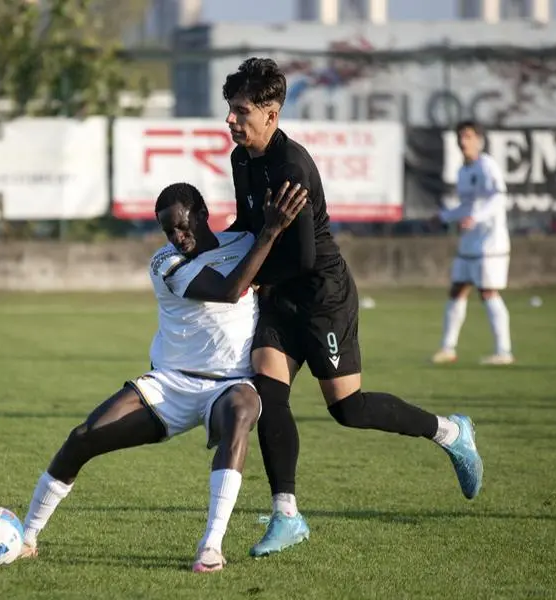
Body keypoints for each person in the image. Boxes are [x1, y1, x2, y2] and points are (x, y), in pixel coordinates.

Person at [222, 58, 484, 557]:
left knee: (349, 409)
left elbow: (299, 257)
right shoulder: (242, 159)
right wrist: (208, 256)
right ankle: (287, 515)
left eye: (240, 111)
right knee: (267, 396)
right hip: (280, 296)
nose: (231, 121)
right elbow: (245, 223)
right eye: (230, 111)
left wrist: (247, 281)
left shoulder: (292, 166)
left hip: (322, 297)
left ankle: (451, 432)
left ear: (271, 115)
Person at [17, 181, 308, 572]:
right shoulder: (165, 263)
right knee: (83, 437)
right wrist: (269, 234)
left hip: (229, 384)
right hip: (170, 384)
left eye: (183, 226)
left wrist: (273, 238)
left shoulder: (242, 241)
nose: (177, 237)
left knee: (241, 413)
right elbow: (230, 290)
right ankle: (27, 537)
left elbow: (279, 266)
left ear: (203, 214)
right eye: (168, 230)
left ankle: (211, 546)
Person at [431, 120, 513, 366]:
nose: (462, 141)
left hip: (490, 242)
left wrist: (475, 218)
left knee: (487, 292)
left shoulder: (487, 166)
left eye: (467, 136)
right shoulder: (463, 170)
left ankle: (504, 351)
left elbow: (498, 198)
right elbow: (467, 205)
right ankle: (448, 348)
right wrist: (444, 216)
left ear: (479, 140)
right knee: (457, 289)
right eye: (460, 136)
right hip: (470, 241)